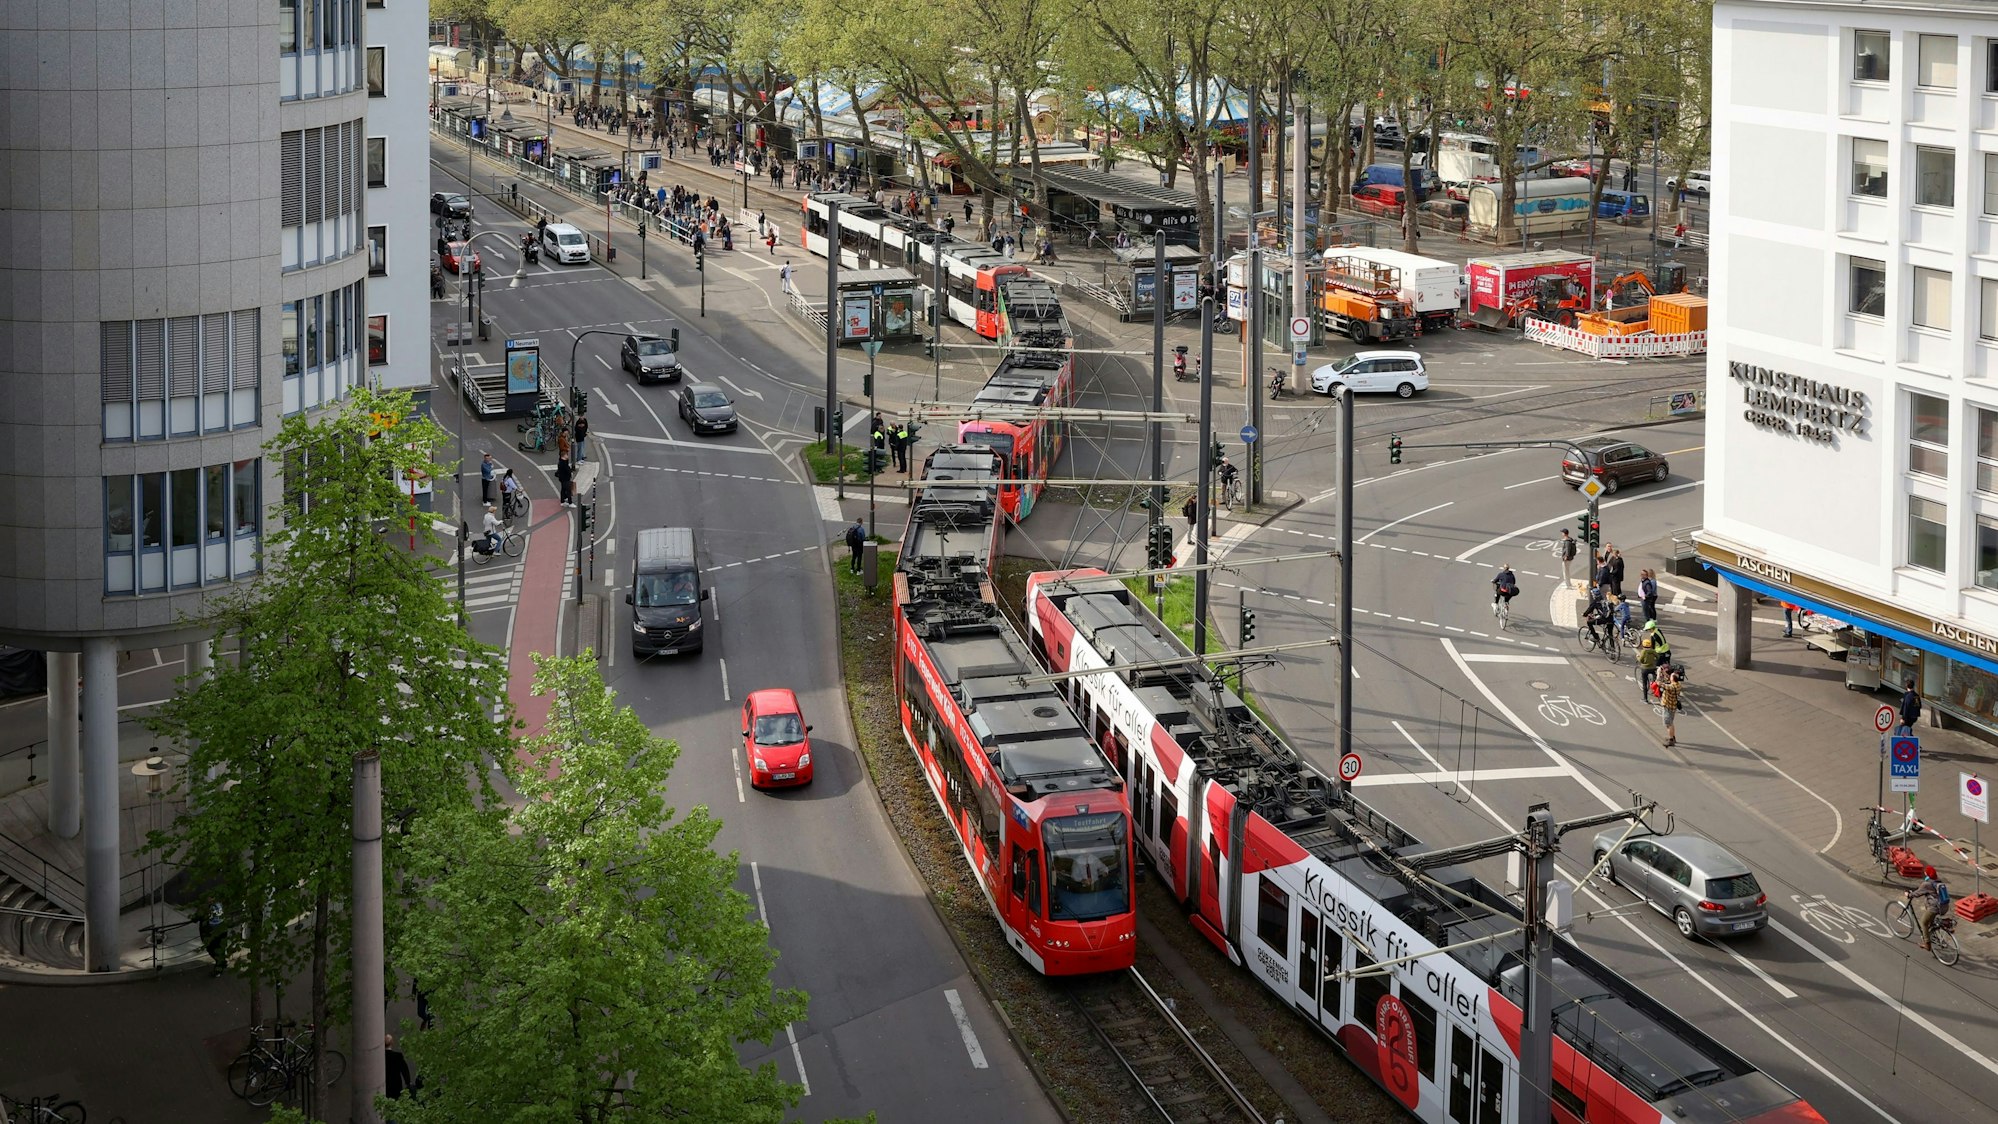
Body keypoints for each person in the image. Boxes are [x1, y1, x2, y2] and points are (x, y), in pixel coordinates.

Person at [197, 901, 228, 976]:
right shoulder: (220, 903)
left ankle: (219, 969)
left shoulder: (205, 907)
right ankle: (221, 964)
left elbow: (196, 917)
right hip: (222, 930)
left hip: (211, 933)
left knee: (212, 949)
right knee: (220, 949)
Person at [1637, 618, 1663, 700]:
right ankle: (1657, 693)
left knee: (1645, 683)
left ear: (1643, 645)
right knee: (1656, 679)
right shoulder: (1652, 650)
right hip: (1652, 667)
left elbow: (1641, 660)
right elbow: (1657, 657)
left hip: (1645, 669)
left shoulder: (1643, 652)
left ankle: (1645, 699)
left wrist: (1638, 658)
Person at [1658, 663, 1683, 747]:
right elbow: (1669, 681)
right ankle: (1673, 737)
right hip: (1673, 706)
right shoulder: (1678, 684)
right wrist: (1666, 674)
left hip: (1668, 706)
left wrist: (1659, 674)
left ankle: (1671, 740)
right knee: (1671, 723)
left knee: (1668, 724)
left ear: (1673, 679)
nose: (1670, 676)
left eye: (1671, 676)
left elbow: (1659, 683)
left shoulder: (1671, 687)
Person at [385, 1033, 416, 1101]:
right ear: (392, 1042)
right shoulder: (397, 1056)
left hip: (384, 1085)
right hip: (395, 1085)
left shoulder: (380, 1057)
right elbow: (404, 1070)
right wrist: (408, 1082)